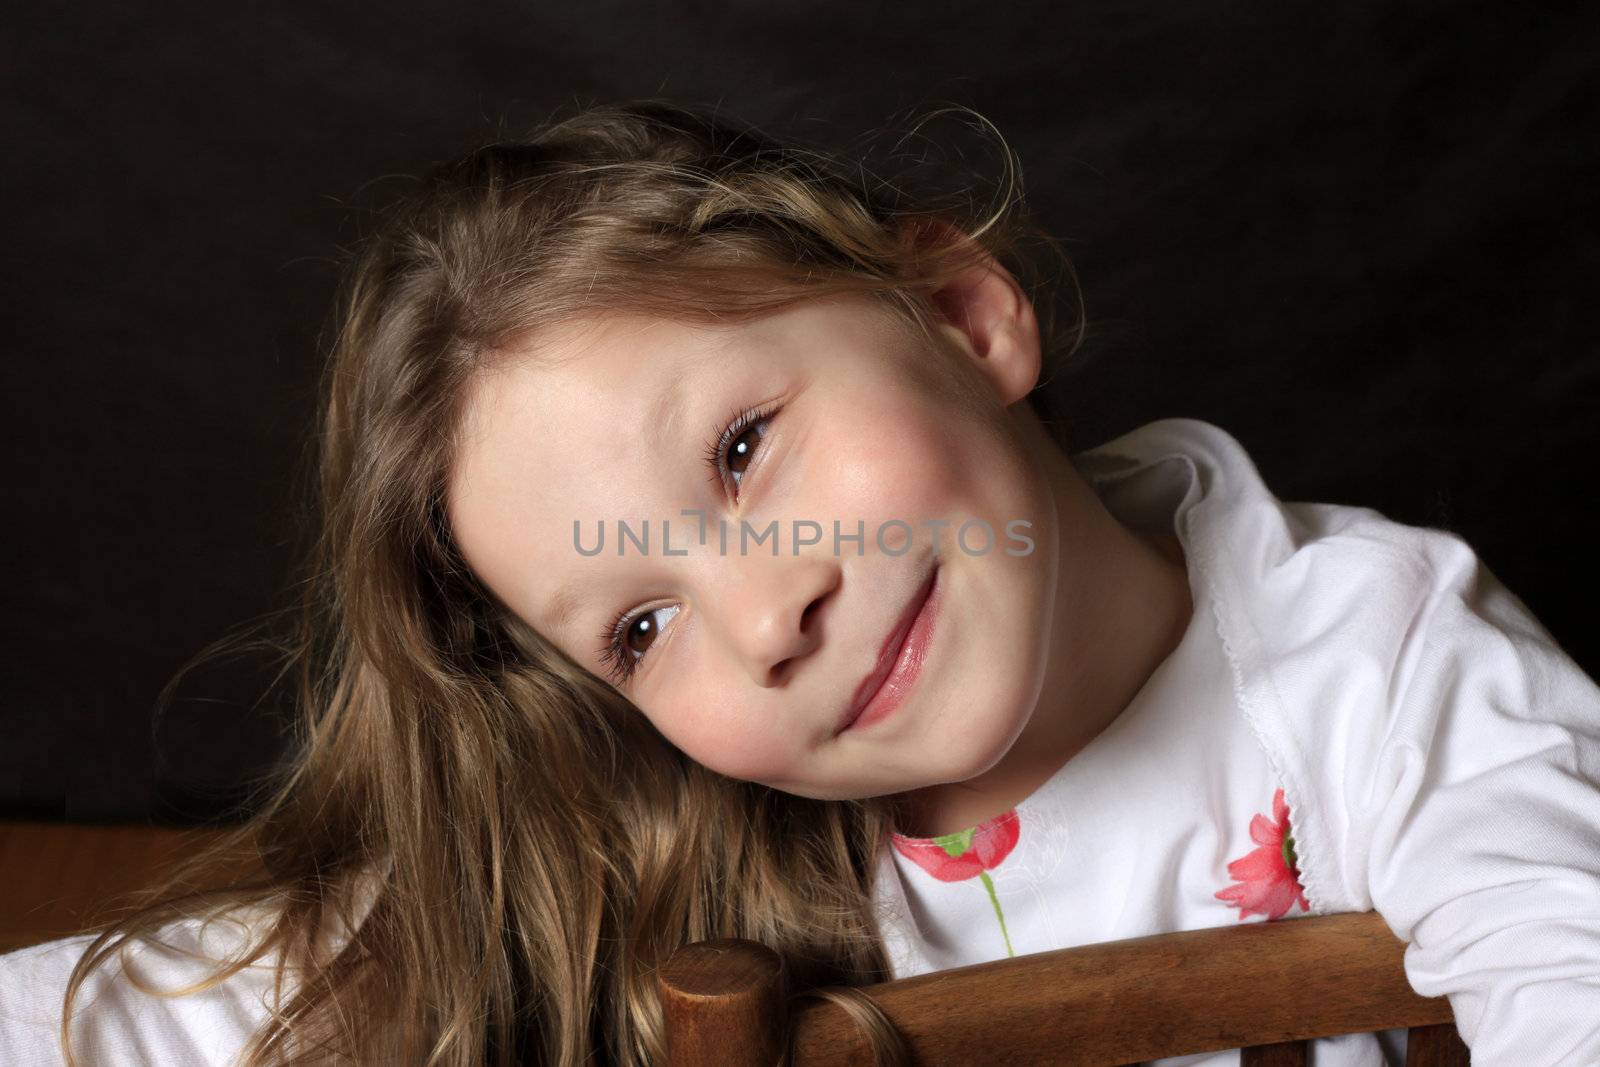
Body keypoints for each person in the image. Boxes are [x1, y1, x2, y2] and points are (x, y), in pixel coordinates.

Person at [2, 97, 1596, 1067]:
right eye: (640, 625)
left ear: (967, 317)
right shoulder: (676, 826)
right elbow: (139, 1013)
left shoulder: (1389, 675)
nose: (767, 620)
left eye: (747, 449)